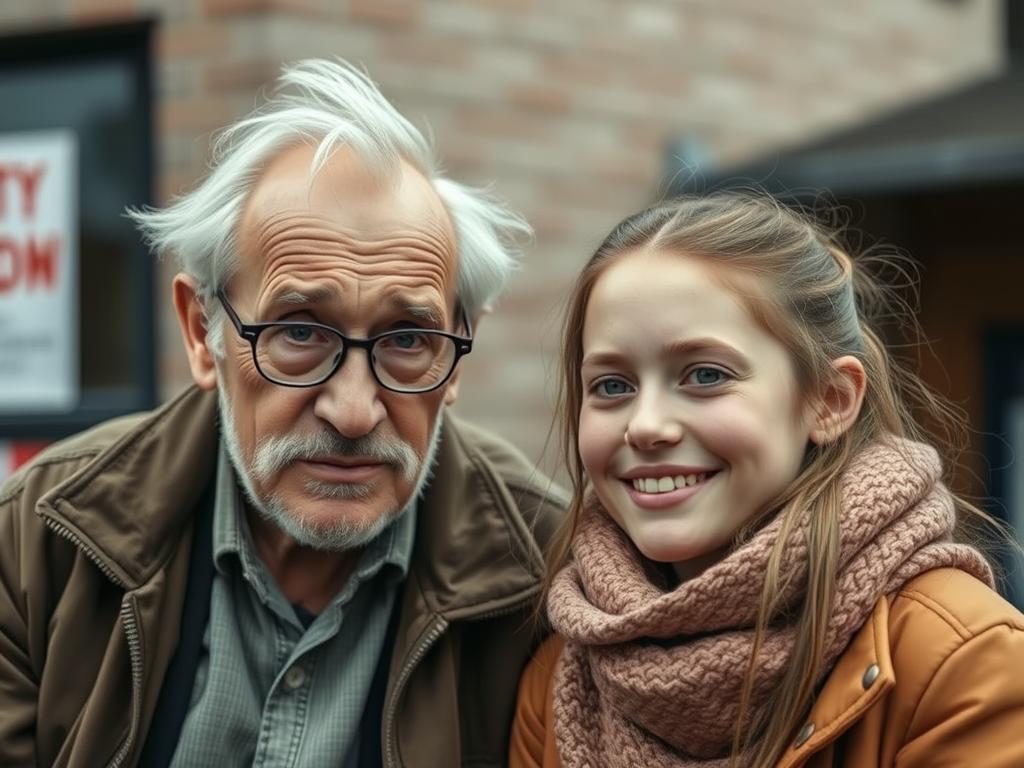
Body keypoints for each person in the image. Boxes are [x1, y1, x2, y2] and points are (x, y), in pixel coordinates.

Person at [0, 59, 565, 768]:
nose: (355, 411)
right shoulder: (37, 542)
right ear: (201, 332)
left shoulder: (549, 578)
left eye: (408, 340)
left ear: (460, 353)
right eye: (299, 332)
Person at [509, 192, 1024, 767]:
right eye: (611, 386)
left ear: (828, 400)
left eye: (705, 375)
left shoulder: (960, 660)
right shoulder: (558, 682)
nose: (646, 425)